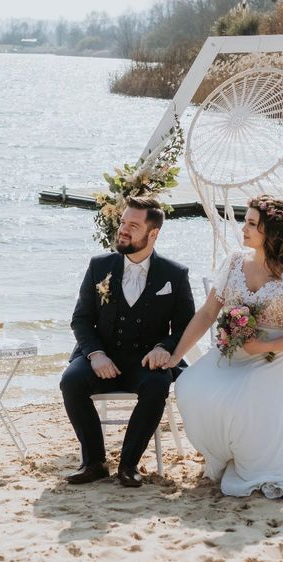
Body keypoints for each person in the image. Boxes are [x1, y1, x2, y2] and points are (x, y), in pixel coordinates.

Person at [164, 195, 283, 498]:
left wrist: (263, 346)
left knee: (243, 400)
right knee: (188, 386)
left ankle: (253, 458)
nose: (244, 228)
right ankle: (225, 454)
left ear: (271, 232)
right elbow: (207, 313)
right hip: (230, 353)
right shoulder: (235, 261)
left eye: (252, 223)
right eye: (246, 221)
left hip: (271, 359)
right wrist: (176, 356)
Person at [60, 196, 195, 487]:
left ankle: (129, 464)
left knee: (158, 384)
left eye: (133, 225)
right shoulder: (99, 266)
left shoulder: (175, 274)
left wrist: (164, 348)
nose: (123, 229)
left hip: (145, 362)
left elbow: (186, 326)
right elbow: (81, 319)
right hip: (102, 357)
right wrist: (95, 354)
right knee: (71, 381)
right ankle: (94, 461)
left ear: (153, 233)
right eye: (123, 222)